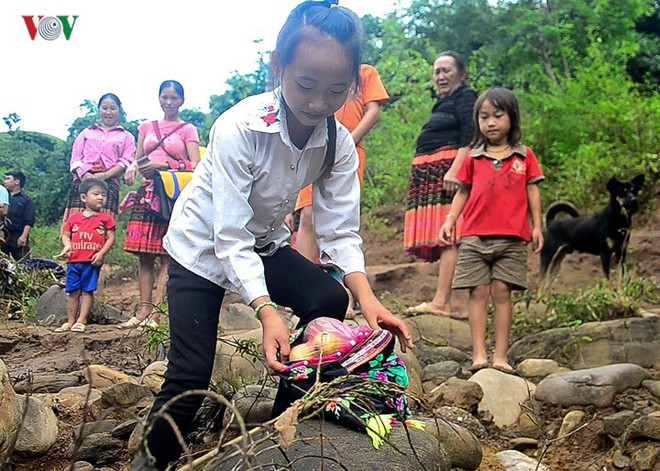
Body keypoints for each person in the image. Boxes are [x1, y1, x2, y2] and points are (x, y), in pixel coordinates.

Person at [131, 2, 412, 469]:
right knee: (189, 374)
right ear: (278, 67)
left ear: (354, 84)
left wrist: (369, 300)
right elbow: (228, 237)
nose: (319, 103)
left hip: (262, 243)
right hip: (201, 247)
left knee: (326, 298)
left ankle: (281, 425)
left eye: (336, 90)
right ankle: (148, 460)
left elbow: (340, 231)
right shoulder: (240, 127)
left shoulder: (338, 142)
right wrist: (265, 312)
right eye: (305, 85)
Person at [439, 87, 544, 374]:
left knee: (501, 292)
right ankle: (478, 354)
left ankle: (501, 356)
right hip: (474, 236)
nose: (491, 123)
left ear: (512, 118)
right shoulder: (473, 158)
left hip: (512, 238)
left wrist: (537, 227)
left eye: (498, 115)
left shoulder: (524, 156)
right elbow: (462, 192)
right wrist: (450, 220)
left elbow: (532, 190)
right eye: (484, 117)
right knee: (478, 291)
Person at [119, 80, 201, 329]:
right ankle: (142, 311)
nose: (168, 102)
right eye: (164, 97)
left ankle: (157, 314)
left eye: (173, 98)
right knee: (144, 255)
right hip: (147, 192)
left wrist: (164, 166)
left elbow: (196, 165)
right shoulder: (146, 127)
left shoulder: (188, 129)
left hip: (172, 195)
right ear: (159, 99)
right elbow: (135, 159)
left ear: (181, 101)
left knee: (167, 255)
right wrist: (133, 168)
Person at [403, 51, 476, 320]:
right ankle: (456, 305)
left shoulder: (466, 97)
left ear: (462, 73)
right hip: (434, 175)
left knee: (450, 237)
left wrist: (456, 170)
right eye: (437, 72)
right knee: (448, 237)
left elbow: (471, 135)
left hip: (448, 175)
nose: (440, 76)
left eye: (446, 70)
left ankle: (443, 301)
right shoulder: (446, 102)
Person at [294, 63, 389, 262]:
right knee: (308, 214)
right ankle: (303, 282)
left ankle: (342, 281)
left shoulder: (365, 72)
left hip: (350, 152)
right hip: (314, 149)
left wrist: (347, 142)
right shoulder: (319, 72)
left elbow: (373, 112)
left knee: (340, 217)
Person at [54, 179, 116, 333]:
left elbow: (111, 238)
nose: (101, 197)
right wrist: (67, 245)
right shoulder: (73, 218)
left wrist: (101, 253)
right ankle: (70, 321)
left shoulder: (106, 219)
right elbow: (65, 234)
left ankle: (82, 320)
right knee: (72, 290)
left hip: (92, 261)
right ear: (83, 197)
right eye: (96, 194)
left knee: (87, 290)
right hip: (74, 260)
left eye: (103, 195)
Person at [64, 93, 136, 221]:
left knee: (103, 226)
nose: (108, 112)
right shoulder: (86, 132)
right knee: (75, 223)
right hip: (83, 182)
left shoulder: (127, 136)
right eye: (104, 108)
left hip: (109, 184)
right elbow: (75, 158)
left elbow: (125, 161)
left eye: (113, 108)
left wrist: (104, 175)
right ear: (99, 110)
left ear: (119, 111)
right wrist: (84, 175)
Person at [1, 172, 35, 261]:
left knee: (23, 264)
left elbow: (29, 220)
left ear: (17, 182)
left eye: (8, 178)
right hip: (2, 234)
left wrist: (23, 236)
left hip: (18, 235)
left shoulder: (26, 200)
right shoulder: (3, 196)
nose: (5, 181)